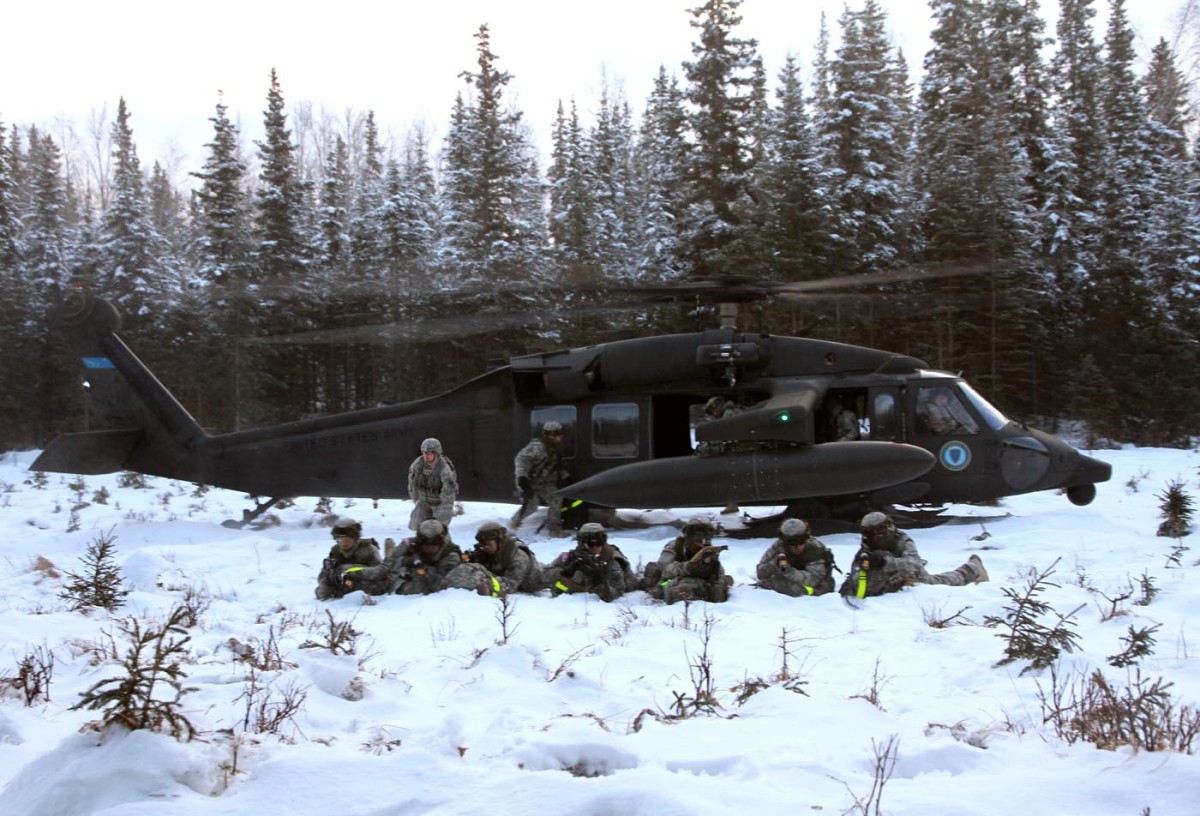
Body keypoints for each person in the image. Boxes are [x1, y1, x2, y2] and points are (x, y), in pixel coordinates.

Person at [839, 511, 988, 599]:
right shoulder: (868, 545)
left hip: (912, 575)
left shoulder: (902, 541)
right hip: (890, 578)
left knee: (937, 583)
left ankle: (971, 569)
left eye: (876, 535)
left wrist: (885, 562)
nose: (871, 539)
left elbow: (914, 564)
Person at [442, 521, 544, 597]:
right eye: (482, 544)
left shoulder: (518, 556)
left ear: (499, 541)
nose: (485, 547)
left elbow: (511, 585)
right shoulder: (489, 551)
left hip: (535, 581)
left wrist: (487, 583)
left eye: (488, 544)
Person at [645, 517, 731, 604]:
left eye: (707, 538)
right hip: (668, 580)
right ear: (689, 537)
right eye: (699, 538)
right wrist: (687, 567)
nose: (703, 543)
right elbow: (664, 569)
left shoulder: (708, 549)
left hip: (701, 580)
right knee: (663, 586)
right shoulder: (676, 546)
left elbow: (720, 572)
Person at [544, 523, 633, 602]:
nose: (594, 547)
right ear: (581, 543)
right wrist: (563, 574)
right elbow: (546, 573)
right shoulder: (570, 556)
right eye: (590, 544)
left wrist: (597, 589)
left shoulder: (611, 559)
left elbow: (617, 590)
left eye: (598, 543)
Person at [510, 420, 569, 537]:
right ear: (550, 435)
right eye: (557, 434)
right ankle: (512, 526)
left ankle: (554, 529)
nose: (560, 437)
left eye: (560, 434)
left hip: (544, 482)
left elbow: (557, 465)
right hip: (529, 482)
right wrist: (522, 477)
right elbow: (521, 460)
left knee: (556, 498)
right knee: (530, 506)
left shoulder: (554, 449)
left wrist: (565, 476)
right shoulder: (537, 447)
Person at [754, 518, 837, 597]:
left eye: (801, 541)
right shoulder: (779, 547)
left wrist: (789, 572)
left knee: (797, 589)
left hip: (817, 586)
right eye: (791, 542)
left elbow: (813, 580)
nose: (797, 547)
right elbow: (760, 573)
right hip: (792, 581)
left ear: (806, 537)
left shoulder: (815, 549)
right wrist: (774, 564)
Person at [315, 518, 391, 600]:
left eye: (347, 539)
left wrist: (355, 571)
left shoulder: (368, 548)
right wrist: (327, 576)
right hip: (343, 587)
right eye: (340, 539)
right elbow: (323, 576)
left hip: (367, 585)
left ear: (355, 538)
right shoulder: (335, 551)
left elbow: (382, 571)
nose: (344, 543)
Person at [386, 519, 465, 595]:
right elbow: (387, 565)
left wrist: (424, 568)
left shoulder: (450, 555)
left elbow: (444, 584)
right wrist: (407, 561)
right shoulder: (410, 544)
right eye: (424, 542)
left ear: (442, 541)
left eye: (434, 542)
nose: (429, 547)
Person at [407, 437, 458, 531]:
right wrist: (415, 498)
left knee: (438, 530)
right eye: (424, 452)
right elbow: (412, 481)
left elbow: (449, 493)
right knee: (416, 524)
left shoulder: (444, 468)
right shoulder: (418, 464)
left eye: (430, 453)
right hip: (424, 501)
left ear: (436, 453)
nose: (426, 455)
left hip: (439, 503)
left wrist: (444, 514)